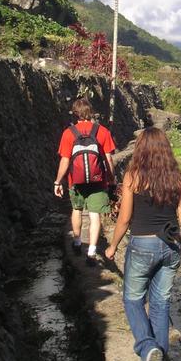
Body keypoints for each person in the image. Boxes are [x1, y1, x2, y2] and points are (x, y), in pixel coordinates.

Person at [105, 127, 181, 361]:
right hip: (171, 247)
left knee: (133, 299)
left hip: (142, 246)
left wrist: (112, 245)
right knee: (160, 303)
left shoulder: (133, 176)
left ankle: (147, 349)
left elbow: (124, 218)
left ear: (141, 149)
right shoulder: (177, 179)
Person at [54, 97, 116, 266]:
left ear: (75, 114)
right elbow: (108, 160)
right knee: (95, 215)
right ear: (91, 112)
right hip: (98, 181)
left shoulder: (69, 133)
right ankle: (92, 252)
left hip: (76, 181)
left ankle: (76, 242)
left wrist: (58, 182)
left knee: (77, 209)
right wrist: (111, 180)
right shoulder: (102, 131)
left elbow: (65, 161)